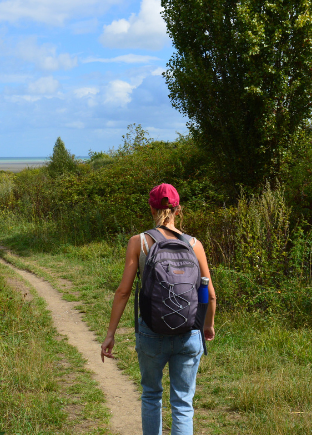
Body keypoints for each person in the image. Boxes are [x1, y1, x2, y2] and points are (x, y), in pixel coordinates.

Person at [101, 183, 216, 435]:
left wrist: (110, 334)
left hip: (151, 332)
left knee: (152, 395)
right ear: (178, 209)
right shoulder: (194, 244)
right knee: (183, 403)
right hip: (189, 333)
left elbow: (123, 291)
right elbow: (210, 294)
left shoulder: (139, 242)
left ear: (152, 208)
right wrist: (207, 326)